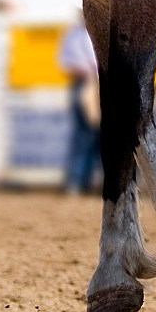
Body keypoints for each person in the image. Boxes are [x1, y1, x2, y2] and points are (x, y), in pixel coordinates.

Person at [58, 17, 100, 193]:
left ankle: (83, 180)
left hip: (98, 82)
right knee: (85, 134)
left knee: (96, 135)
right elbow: (66, 62)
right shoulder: (75, 34)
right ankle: (78, 180)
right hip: (87, 83)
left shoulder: (75, 34)